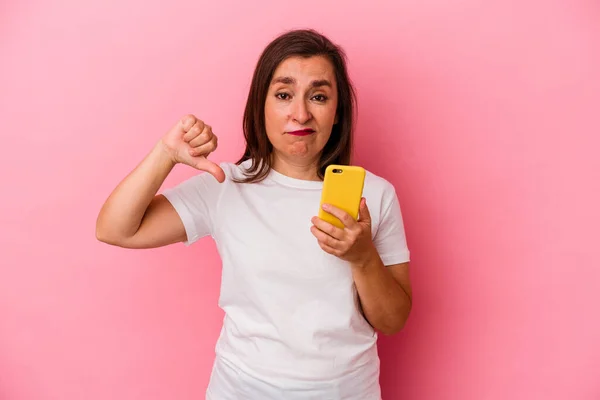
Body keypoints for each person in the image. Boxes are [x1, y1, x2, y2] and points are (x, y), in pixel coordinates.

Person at [96, 28, 412, 400]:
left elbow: (393, 321)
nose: (300, 113)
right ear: (260, 107)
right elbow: (115, 230)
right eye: (283, 94)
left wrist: (362, 259)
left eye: (319, 96)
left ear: (337, 112)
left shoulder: (374, 196)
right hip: (241, 389)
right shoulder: (225, 186)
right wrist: (165, 154)